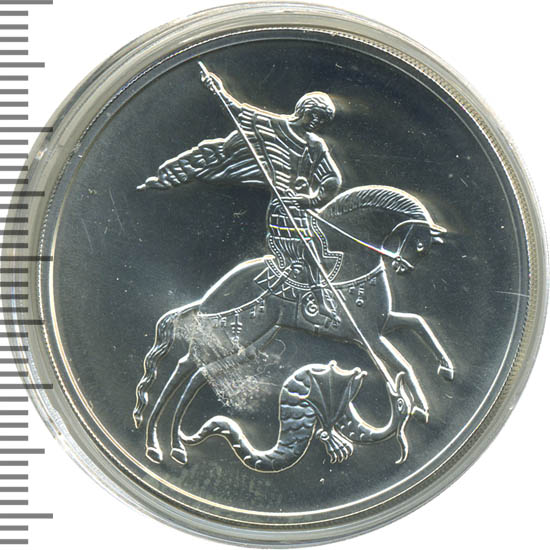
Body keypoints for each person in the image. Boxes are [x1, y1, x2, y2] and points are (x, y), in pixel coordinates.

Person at [139, 70, 343, 324]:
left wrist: (312, 199)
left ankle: (308, 295)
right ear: (303, 110)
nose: (317, 123)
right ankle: (318, 302)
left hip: (303, 208)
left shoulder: (315, 144)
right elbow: (236, 111)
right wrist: (217, 90)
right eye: (316, 115)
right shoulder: (272, 126)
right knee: (308, 248)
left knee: (321, 246)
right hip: (282, 209)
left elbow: (332, 178)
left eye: (323, 120)